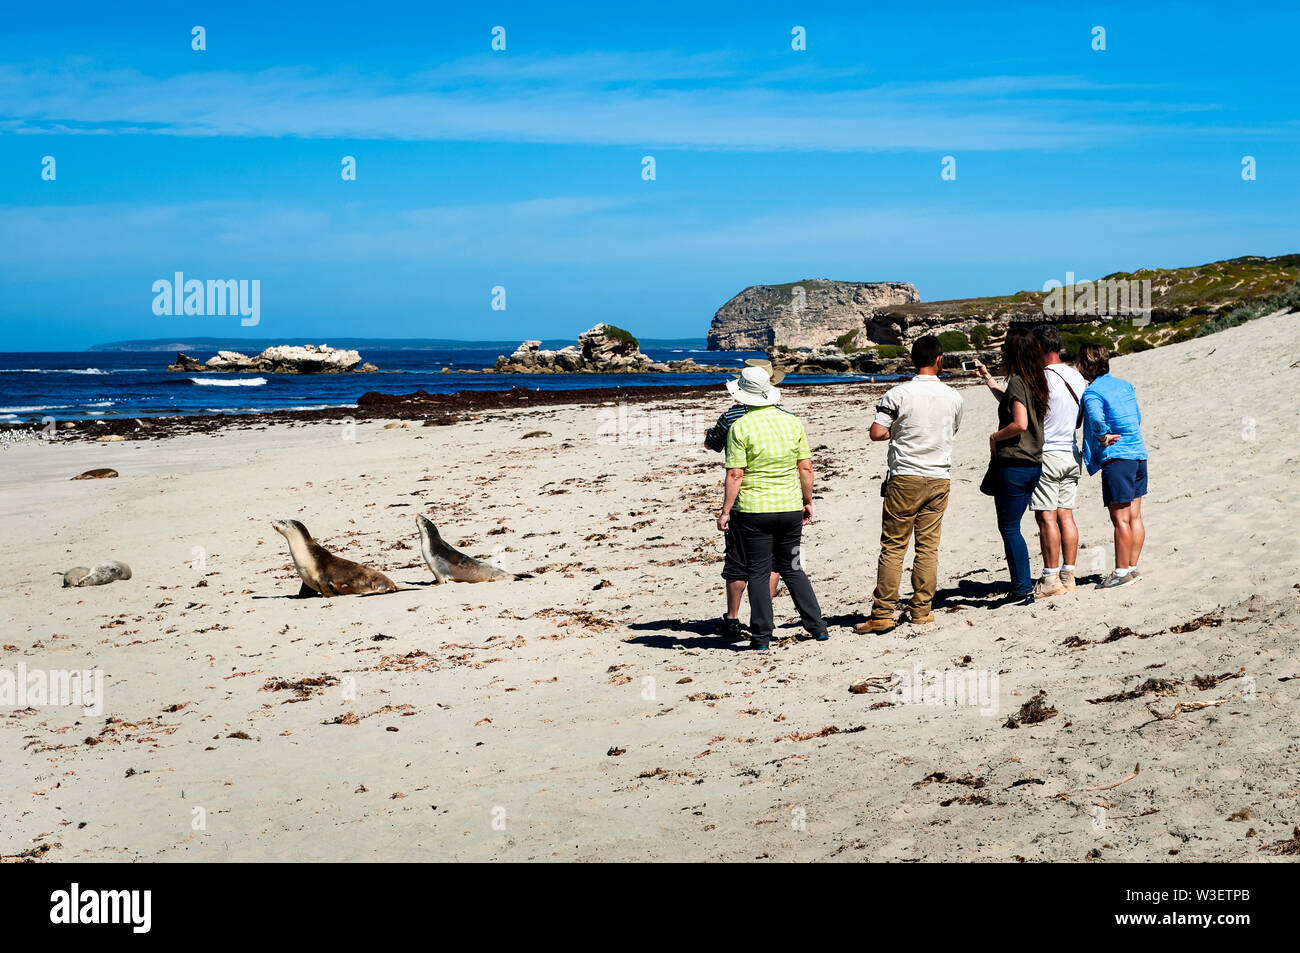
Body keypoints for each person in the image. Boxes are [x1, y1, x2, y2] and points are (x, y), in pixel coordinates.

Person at [854, 334, 964, 634]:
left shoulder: (897, 394)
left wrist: (898, 434)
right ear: (939, 360)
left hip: (905, 476)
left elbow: (877, 433)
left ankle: (882, 613)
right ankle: (922, 610)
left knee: (893, 547)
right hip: (939, 477)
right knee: (928, 548)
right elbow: (951, 431)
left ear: (912, 360)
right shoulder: (954, 397)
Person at [717, 367, 827, 650]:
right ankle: (817, 627)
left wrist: (726, 510)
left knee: (758, 571)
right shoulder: (792, 422)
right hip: (789, 507)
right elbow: (806, 467)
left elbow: (735, 475)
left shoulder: (740, 426)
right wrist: (807, 501)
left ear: (743, 396)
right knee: (793, 568)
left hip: (755, 511)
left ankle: (762, 636)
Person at [703, 360, 785, 638]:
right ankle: (763, 615)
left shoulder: (731, 417)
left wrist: (725, 510)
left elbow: (712, 444)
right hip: (780, 499)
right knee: (772, 562)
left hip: (743, 501)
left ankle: (732, 618)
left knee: (738, 561)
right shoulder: (785, 416)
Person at [974, 326, 1048, 606]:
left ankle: (1021, 589)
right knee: (1014, 526)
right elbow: (1012, 403)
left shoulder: (1018, 381)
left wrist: (994, 437)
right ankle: (1022, 586)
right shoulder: (1034, 380)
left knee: (1010, 528)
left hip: (1014, 463)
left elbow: (1020, 423)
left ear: (1011, 352)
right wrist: (988, 379)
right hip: (1032, 464)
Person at [1076, 343, 1148, 589]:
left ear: (1087, 364)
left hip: (1118, 459)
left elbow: (1095, 417)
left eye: (1078, 362)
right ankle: (1131, 568)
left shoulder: (1092, 392)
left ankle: (1119, 573)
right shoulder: (1125, 385)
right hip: (1139, 454)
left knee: (1120, 521)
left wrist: (1103, 435)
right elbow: (1136, 417)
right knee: (1135, 516)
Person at [1028, 325, 1088, 598]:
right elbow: (1078, 419)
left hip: (1048, 452)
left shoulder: (1039, 378)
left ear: (1039, 347)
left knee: (1046, 518)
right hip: (1071, 452)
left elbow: (1027, 417)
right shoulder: (1077, 377)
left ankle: (1050, 578)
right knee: (1066, 515)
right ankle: (1068, 573)